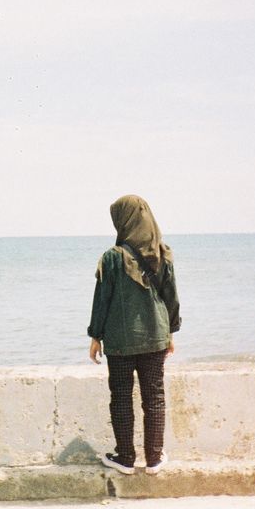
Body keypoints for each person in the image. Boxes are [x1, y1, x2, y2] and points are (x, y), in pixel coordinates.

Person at [87, 194, 181, 475]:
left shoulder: (112, 258)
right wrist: (171, 332)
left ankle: (125, 457)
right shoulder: (163, 253)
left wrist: (95, 336)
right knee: (154, 397)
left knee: (121, 397)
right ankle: (154, 458)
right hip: (155, 338)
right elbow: (171, 297)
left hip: (120, 341)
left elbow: (102, 300)